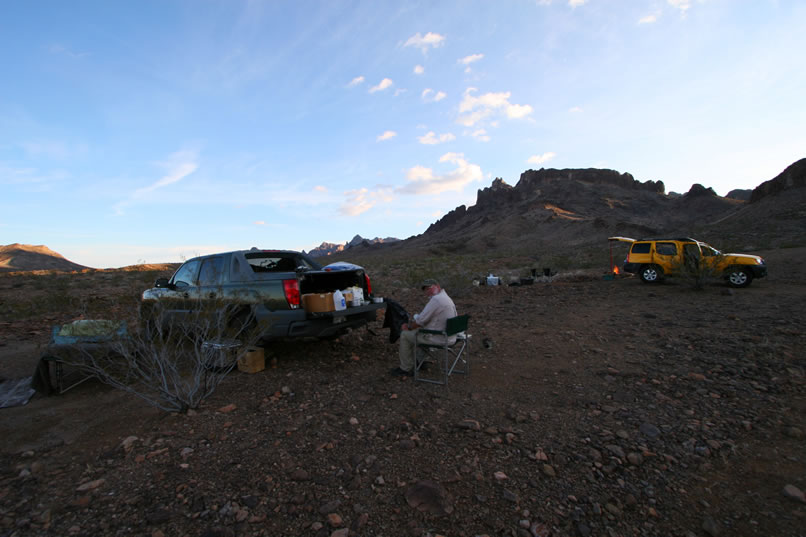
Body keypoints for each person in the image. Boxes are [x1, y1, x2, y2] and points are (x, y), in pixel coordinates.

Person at [390, 278, 458, 377]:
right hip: (450, 336)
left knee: (405, 335)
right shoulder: (446, 298)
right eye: (425, 289)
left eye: (429, 288)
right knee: (419, 331)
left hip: (439, 338)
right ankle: (420, 361)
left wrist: (408, 327)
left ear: (437, 286)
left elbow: (420, 321)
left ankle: (406, 368)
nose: (427, 291)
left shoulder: (436, 300)